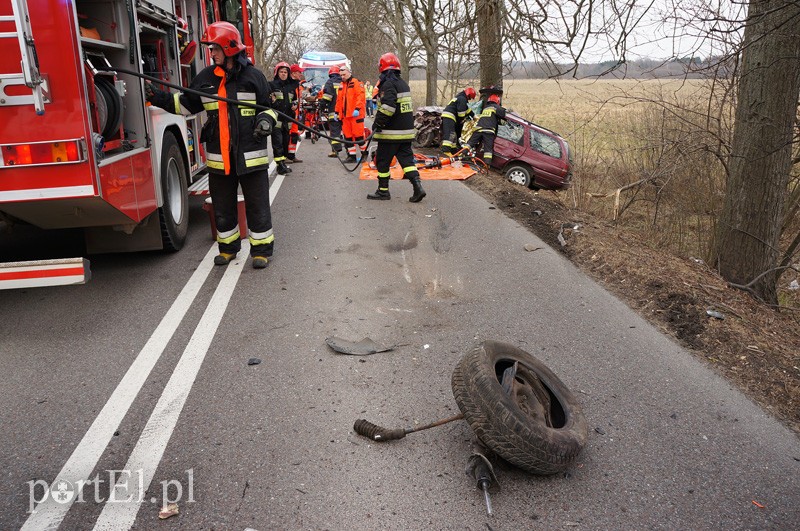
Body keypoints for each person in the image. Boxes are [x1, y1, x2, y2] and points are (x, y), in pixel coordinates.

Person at [145, 22, 277, 269]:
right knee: (223, 208)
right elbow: (185, 104)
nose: (211, 53)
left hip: (251, 156)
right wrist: (156, 96)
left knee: (257, 206)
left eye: (215, 48)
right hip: (220, 158)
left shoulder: (254, 77)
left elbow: (270, 108)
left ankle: (261, 250)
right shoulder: (205, 79)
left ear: (229, 47)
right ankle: (228, 248)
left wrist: (265, 121)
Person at [369, 53, 425, 202]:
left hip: (391, 134)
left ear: (382, 68)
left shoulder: (387, 85)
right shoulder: (403, 84)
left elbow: (388, 107)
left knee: (382, 161)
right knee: (407, 162)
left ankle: (383, 191)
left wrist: (378, 124)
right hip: (405, 134)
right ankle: (418, 188)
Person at [335, 66, 366, 162]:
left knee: (358, 136)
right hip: (345, 116)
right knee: (347, 137)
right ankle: (352, 156)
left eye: (344, 74)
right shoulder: (341, 85)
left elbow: (360, 97)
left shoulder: (357, 83)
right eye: (341, 75)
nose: (342, 77)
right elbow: (339, 100)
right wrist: (337, 112)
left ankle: (364, 154)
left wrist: (357, 108)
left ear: (349, 72)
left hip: (356, 115)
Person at [467, 93, 506, 165]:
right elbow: (503, 114)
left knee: (470, 143)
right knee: (488, 150)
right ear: (497, 101)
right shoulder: (496, 107)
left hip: (478, 129)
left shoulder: (485, 108)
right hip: (488, 131)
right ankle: (486, 165)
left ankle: (461, 155)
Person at [270, 61, 293, 174]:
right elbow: (268, 101)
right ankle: (279, 165)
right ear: (277, 73)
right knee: (277, 143)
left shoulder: (290, 87)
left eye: (285, 72)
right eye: (281, 72)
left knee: (285, 142)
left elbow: (293, 100)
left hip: (287, 120)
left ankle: (283, 163)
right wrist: (272, 101)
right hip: (277, 120)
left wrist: (294, 105)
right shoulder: (272, 85)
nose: (283, 74)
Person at [441, 87, 476, 155]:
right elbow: (461, 113)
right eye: (470, 98)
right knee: (450, 133)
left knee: (453, 134)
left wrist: (474, 116)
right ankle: (446, 151)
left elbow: (467, 110)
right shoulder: (462, 99)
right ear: (468, 95)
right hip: (449, 116)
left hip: (450, 117)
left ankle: (453, 150)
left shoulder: (461, 98)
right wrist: (462, 120)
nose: (469, 99)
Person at [320, 66, 343, 157]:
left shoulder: (330, 82)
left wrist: (321, 106)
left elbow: (327, 97)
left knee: (334, 132)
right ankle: (350, 152)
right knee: (347, 131)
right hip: (344, 111)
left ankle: (335, 150)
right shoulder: (343, 81)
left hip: (333, 111)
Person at [287, 64, 305, 163]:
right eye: (299, 72)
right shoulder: (290, 85)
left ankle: (291, 155)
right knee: (289, 135)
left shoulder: (297, 85)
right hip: (289, 115)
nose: (301, 74)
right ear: (293, 73)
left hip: (295, 115)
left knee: (293, 135)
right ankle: (286, 155)